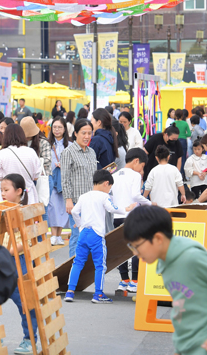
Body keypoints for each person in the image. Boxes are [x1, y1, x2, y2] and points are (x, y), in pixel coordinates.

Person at [124, 205, 207, 355]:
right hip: (191, 344)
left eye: (137, 246)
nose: (135, 253)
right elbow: (183, 307)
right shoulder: (164, 263)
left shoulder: (191, 257)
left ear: (158, 238)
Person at [65, 170, 131, 304]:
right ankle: (98, 294)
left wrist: (80, 225)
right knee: (100, 265)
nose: (109, 190)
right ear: (106, 183)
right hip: (96, 235)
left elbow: (74, 212)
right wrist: (127, 209)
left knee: (78, 262)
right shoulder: (104, 197)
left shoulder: (84, 196)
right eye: (110, 187)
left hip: (84, 234)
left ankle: (70, 292)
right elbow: (112, 209)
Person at [0, 173, 39, 354]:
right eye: (0, 190)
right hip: (2, 260)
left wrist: (11, 250)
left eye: (6, 190)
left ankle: (29, 339)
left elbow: (30, 240)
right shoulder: (0, 211)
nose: (2, 193)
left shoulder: (24, 212)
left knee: (24, 301)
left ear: (19, 192)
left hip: (19, 260)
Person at [112, 148, 152, 293]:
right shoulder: (135, 176)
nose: (141, 170)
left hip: (117, 216)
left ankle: (124, 280)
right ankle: (134, 281)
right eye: (142, 166)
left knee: (120, 249)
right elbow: (135, 195)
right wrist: (149, 203)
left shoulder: (114, 175)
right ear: (136, 161)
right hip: (131, 216)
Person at [60, 119, 97, 258]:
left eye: (89, 133)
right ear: (75, 133)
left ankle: (85, 270)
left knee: (90, 237)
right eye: (83, 133)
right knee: (77, 236)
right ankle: (74, 271)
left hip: (92, 202)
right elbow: (65, 178)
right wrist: (68, 200)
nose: (87, 136)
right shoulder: (68, 152)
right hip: (76, 202)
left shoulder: (91, 152)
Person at [0, 124, 40, 204]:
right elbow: (36, 176)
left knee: (9, 216)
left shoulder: (2, 153)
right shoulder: (31, 152)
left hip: (8, 197)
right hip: (28, 195)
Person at [47, 117, 70, 246]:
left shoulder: (70, 145)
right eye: (54, 127)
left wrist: (64, 165)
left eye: (59, 127)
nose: (56, 130)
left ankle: (59, 235)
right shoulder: (48, 144)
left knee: (62, 207)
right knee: (52, 206)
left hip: (65, 180)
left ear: (64, 129)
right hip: (52, 178)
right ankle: (53, 234)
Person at [20, 116, 52, 200]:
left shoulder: (43, 142)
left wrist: (31, 163)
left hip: (42, 179)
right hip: (26, 180)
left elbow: (47, 160)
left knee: (42, 208)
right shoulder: (20, 143)